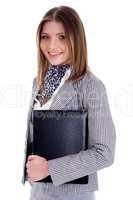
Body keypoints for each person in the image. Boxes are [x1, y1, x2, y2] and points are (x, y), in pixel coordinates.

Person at [21, 5, 116, 200]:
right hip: (39, 193)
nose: (51, 46)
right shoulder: (38, 81)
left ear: (76, 39)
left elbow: (104, 152)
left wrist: (49, 168)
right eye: (45, 37)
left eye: (61, 37)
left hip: (73, 196)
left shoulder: (91, 86)